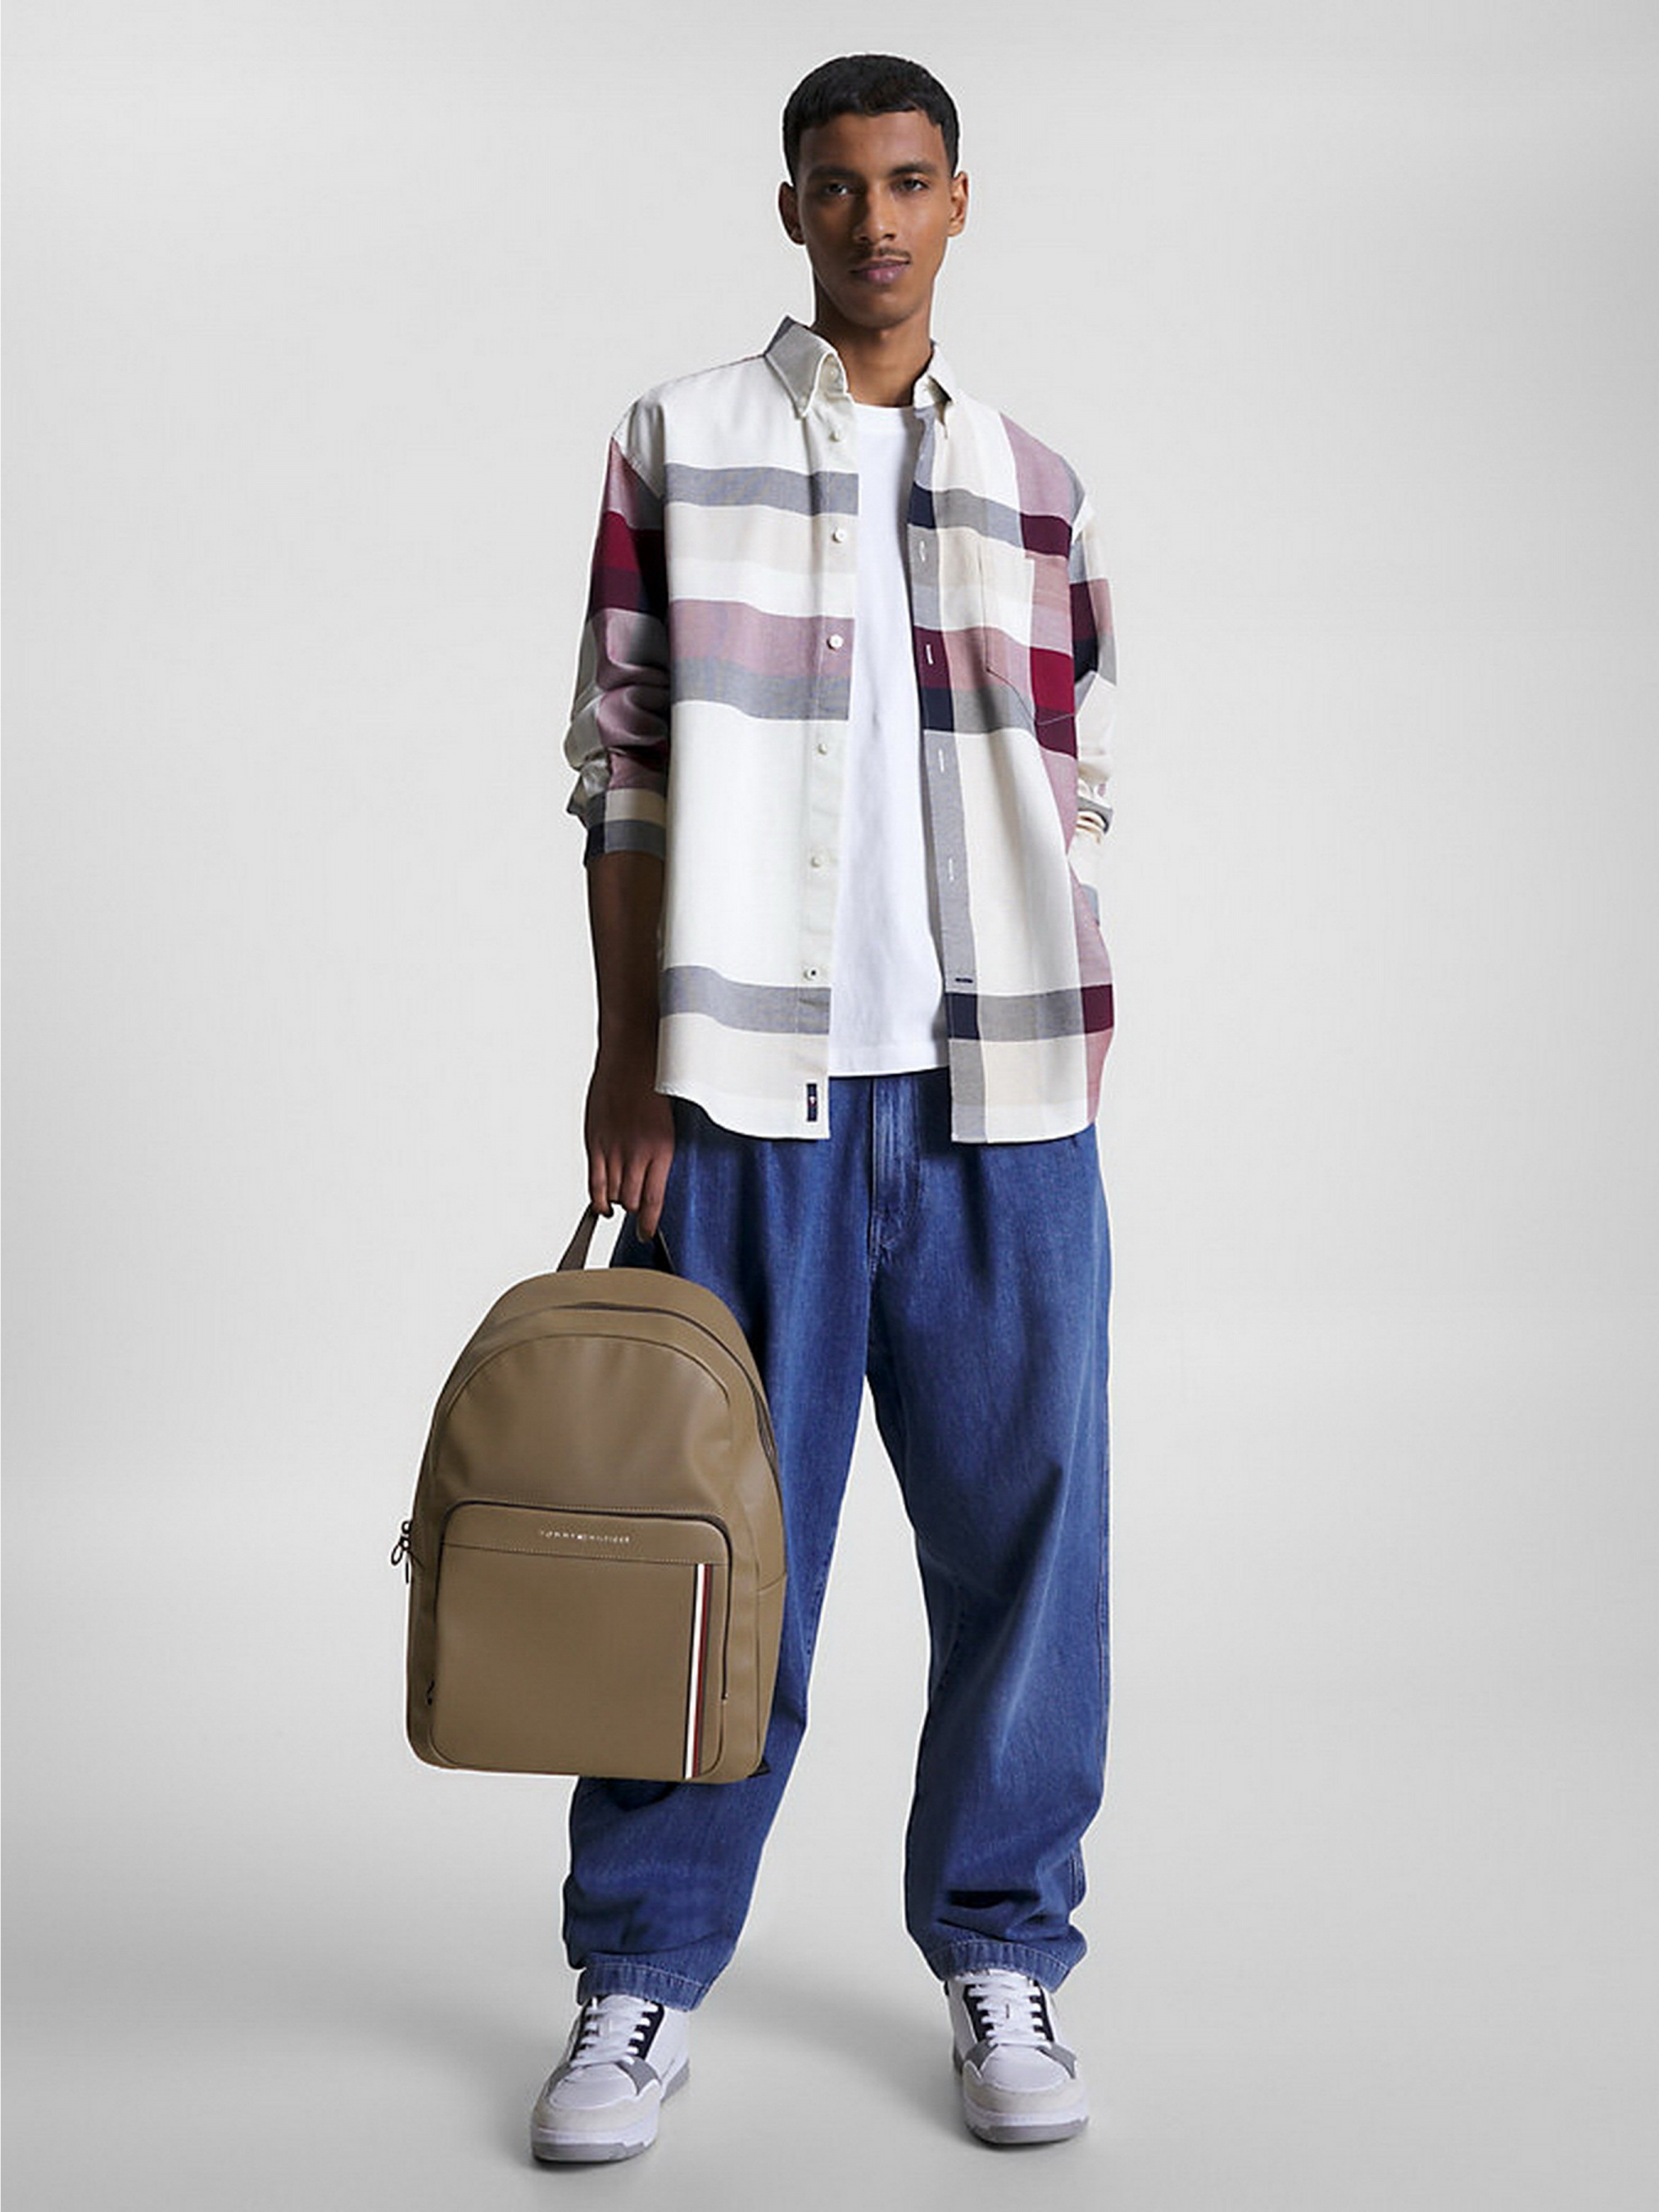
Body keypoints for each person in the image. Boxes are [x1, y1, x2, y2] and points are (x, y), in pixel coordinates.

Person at [534, 52, 1117, 2161]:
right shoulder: (675, 440)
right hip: (743, 1104)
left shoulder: (1035, 482)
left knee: (1028, 1554)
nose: (875, 219)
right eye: (838, 185)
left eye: (908, 181)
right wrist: (627, 1055)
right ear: (789, 207)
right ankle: (637, 1975)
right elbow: (619, 764)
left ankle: (1003, 1953)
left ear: (959, 200)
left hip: (998, 1104)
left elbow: (1072, 781)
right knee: (712, 1557)